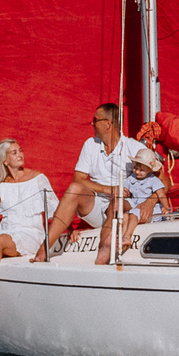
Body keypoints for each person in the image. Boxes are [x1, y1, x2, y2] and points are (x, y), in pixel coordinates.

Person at [37, 103, 157, 262]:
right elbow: (78, 180)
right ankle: (44, 249)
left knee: (116, 202)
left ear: (108, 124)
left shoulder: (133, 147)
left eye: (95, 120)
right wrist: (109, 189)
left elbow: (163, 181)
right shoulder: (90, 144)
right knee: (74, 188)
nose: (92, 123)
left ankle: (104, 248)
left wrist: (149, 203)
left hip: (122, 208)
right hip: (97, 206)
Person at [0, 139, 57, 338]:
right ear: (4, 160)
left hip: (30, 233)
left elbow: (55, 209)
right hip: (8, 231)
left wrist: (70, 230)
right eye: (14, 152)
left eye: (20, 150)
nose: (20, 154)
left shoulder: (38, 178)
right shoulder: (3, 183)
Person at [100, 150, 168, 260]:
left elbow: (161, 194)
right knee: (125, 215)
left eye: (141, 170)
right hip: (135, 204)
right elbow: (124, 188)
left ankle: (127, 236)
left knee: (134, 213)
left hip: (151, 208)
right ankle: (121, 239)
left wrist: (166, 207)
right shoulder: (131, 178)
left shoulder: (153, 180)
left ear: (150, 169)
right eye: (135, 168)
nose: (137, 172)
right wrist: (122, 192)